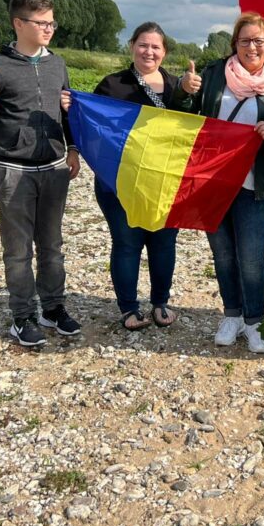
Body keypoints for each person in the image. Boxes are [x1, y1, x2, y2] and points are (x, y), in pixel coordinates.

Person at [175, 12, 264, 353]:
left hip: (254, 186)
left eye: (259, 41)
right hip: (212, 182)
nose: (252, 47)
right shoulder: (213, 75)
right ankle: (232, 315)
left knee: (252, 258)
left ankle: (255, 321)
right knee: (223, 254)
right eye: (245, 40)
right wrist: (184, 90)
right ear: (235, 44)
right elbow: (184, 114)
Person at [0, 0, 82, 347]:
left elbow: (67, 112)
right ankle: (22, 316)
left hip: (54, 169)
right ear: (19, 23)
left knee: (52, 246)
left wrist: (73, 148)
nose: (49, 28)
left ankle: (53, 308)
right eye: (42, 23)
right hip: (12, 170)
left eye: (52, 22)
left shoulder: (58, 64)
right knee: (18, 250)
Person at [85, 22, 183, 331]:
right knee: (127, 243)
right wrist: (71, 108)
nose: (149, 52)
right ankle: (128, 307)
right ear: (132, 46)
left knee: (163, 243)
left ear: (164, 52)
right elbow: (92, 127)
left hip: (164, 182)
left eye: (156, 47)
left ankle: (160, 302)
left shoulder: (177, 88)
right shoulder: (112, 85)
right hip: (119, 181)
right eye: (143, 45)